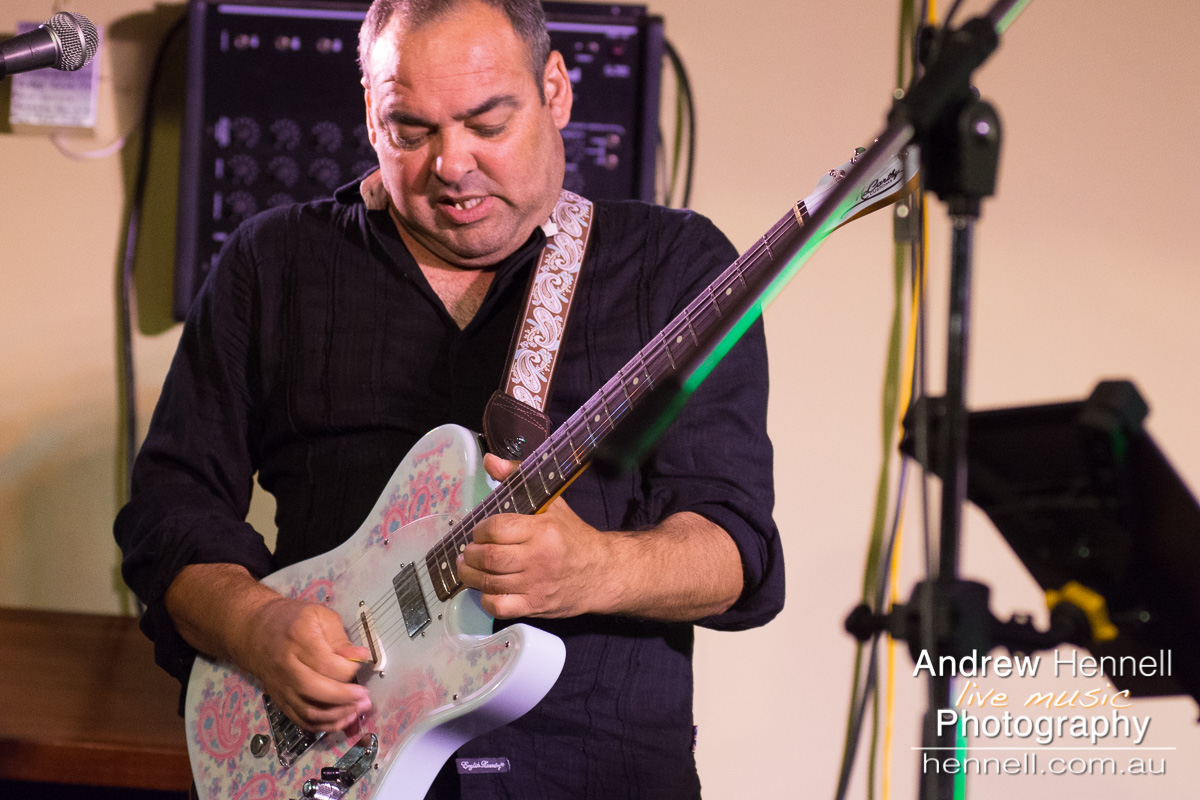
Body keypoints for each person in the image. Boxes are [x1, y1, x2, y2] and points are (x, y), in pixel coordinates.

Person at [115, 0, 784, 797]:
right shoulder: (275, 262)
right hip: (333, 765)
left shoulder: (674, 268)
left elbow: (734, 545)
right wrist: (253, 623)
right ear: (371, 115)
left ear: (556, 90)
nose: (451, 165)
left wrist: (596, 568)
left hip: (592, 772)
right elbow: (169, 510)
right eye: (412, 131)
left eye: (487, 124)